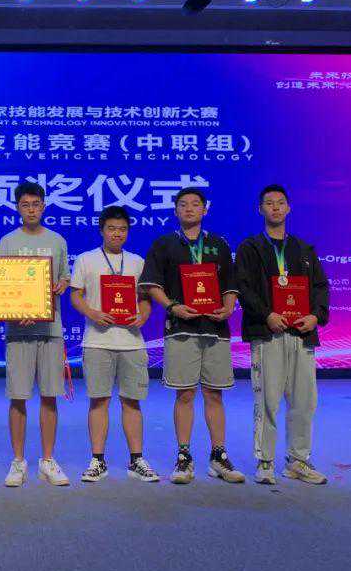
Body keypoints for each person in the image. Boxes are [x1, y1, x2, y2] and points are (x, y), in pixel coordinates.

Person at [139, 187, 245, 485]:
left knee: (214, 393)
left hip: (215, 328)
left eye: (195, 204)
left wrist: (228, 308)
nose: (189, 208)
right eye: (183, 204)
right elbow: (152, 285)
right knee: (184, 394)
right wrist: (172, 306)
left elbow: (230, 285)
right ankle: (184, 456)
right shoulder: (164, 244)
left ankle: (218, 456)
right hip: (181, 328)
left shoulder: (219, 244)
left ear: (204, 210)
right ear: (176, 211)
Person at [235, 184, 331, 486]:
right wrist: (267, 315)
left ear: (288, 208)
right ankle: (265, 461)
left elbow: (320, 287)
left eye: (280, 203)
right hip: (267, 333)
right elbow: (244, 288)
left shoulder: (304, 249)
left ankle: (298, 461)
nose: (275, 207)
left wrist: (315, 316)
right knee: (268, 399)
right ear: (260, 209)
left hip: (302, 334)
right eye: (269, 203)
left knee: (305, 401)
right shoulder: (250, 248)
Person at [70, 206, 158, 484]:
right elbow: (76, 295)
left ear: (127, 232)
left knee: (132, 402)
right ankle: (97, 460)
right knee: (99, 400)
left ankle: (137, 460)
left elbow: (145, 298)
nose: (117, 234)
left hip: (132, 342)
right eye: (111, 228)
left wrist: (143, 316)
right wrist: (92, 313)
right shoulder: (86, 259)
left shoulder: (137, 262)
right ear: (102, 230)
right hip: (97, 341)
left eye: (122, 229)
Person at [0, 181, 71, 487]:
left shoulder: (57, 240)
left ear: (43, 206)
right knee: (18, 397)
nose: (31, 210)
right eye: (25, 205)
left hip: (50, 329)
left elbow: (64, 277)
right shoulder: (7, 242)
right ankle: (18, 461)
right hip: (18, 330)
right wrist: (16, 309)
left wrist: (62, 285)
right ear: (18, 208)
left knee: (50, 396)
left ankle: (47, 460)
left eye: (36, 204)